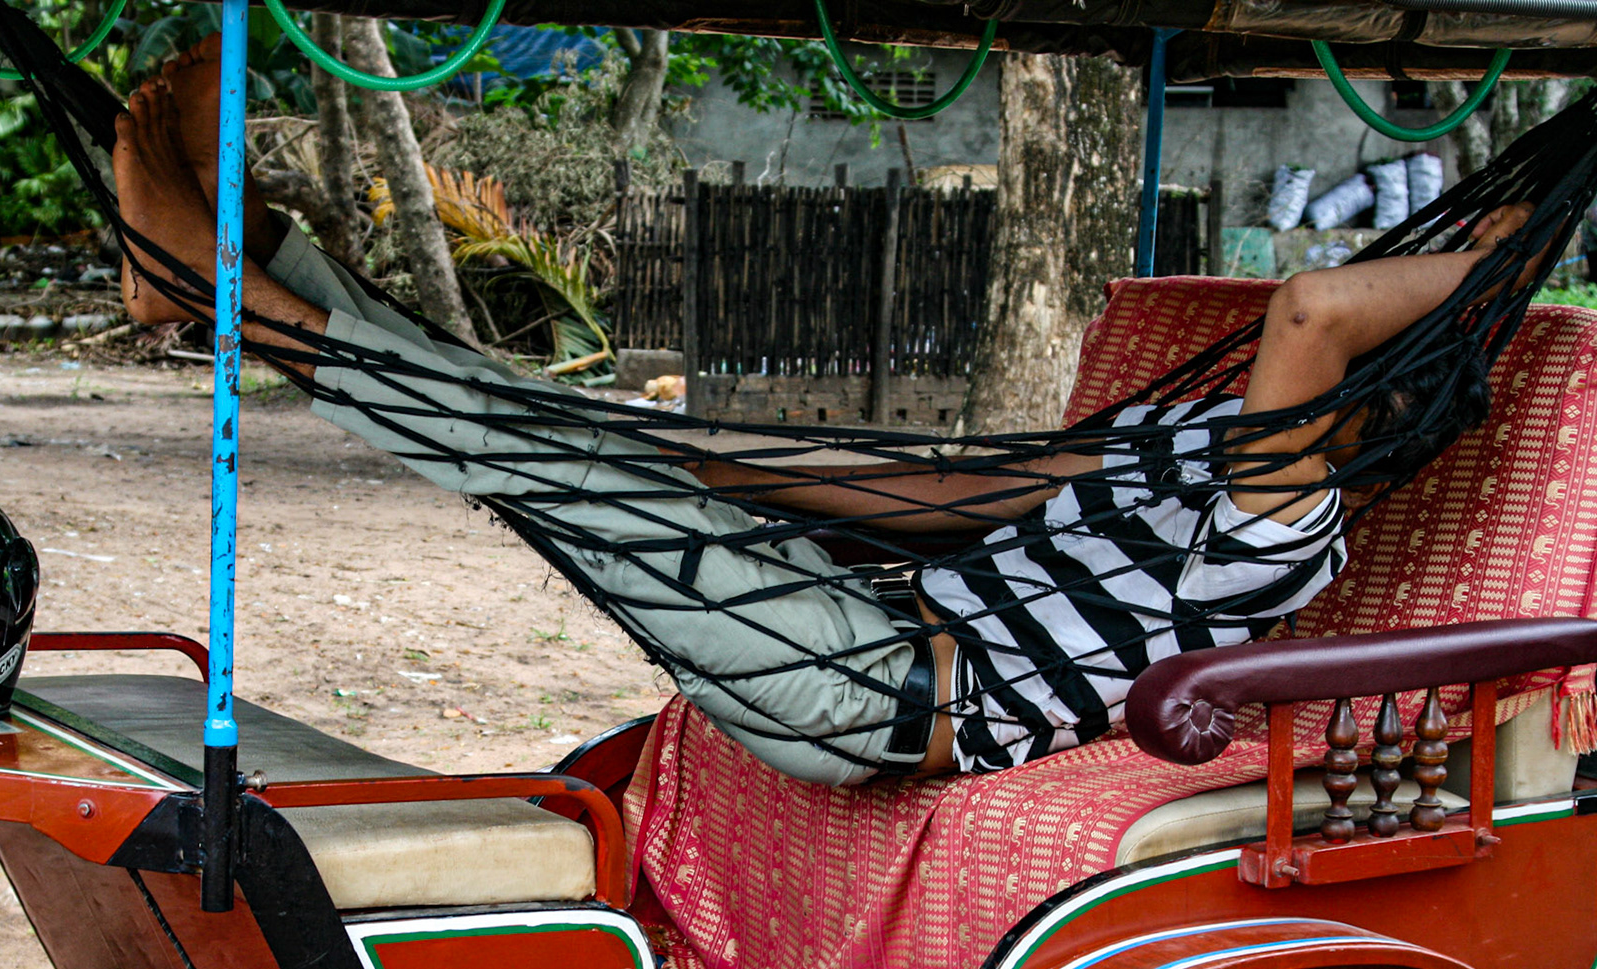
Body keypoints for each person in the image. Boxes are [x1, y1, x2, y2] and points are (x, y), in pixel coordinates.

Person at [112, 40, 1537, 787]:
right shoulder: (1195, 447)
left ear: (1377, 414)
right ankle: (233, 270)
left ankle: (203, 280)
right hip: (858, 609)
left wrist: (1506, 252)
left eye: (1350, 386)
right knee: (541, 430)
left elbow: (1309, 312)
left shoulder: (1284, 529)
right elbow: (957, 500)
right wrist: (711, 455)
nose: (1309, 384)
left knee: (529, 456)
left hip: (875, 692)